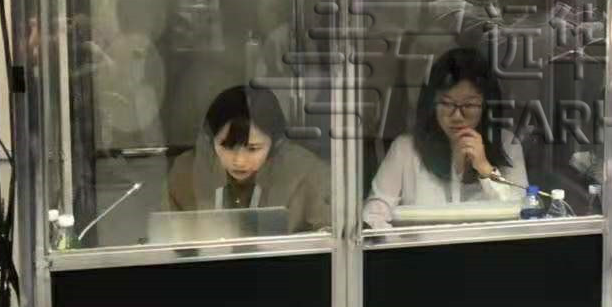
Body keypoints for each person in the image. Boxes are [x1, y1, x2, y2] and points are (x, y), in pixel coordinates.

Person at [364, 48, 528, 229]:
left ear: (486, 106)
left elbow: (523, 212)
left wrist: (485, 169)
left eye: (469, 105)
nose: (457, 116)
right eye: (446, 103)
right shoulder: (406, 148)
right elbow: (373, 214)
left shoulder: (507, 143)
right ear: (431, 104)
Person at [165, 85, 330, 233]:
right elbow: (169, 235)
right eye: (226, 146)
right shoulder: (186, 173)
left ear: (276, 143)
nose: (239, 161)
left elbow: (328, 235)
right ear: (210, 140)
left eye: (253, 149)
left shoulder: (307, 174)